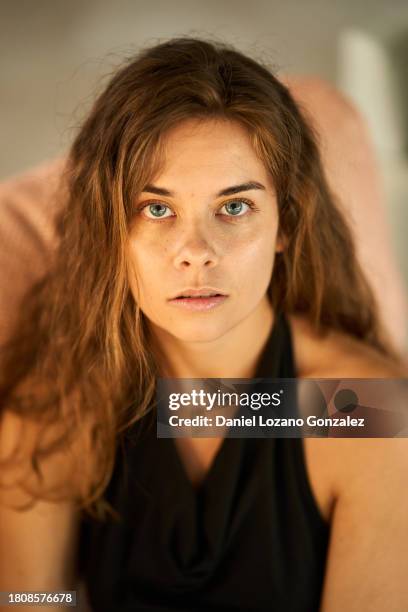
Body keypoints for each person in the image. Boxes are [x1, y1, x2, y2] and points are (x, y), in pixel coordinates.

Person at [0, 37, 407, 612]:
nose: (196, 253)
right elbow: (29, 599)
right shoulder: (57, 408)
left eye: (233, 207)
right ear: (111, 229)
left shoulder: (364, 410)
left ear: (285, 223)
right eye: (157, 209)